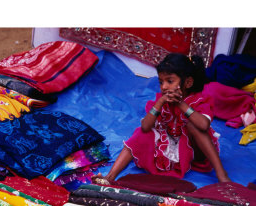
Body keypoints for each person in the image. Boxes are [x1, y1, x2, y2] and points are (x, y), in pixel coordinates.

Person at [93, 53, 231, 184]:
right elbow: (145, 127)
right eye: (161, 82)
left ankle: (222, 174)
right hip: (170, 150)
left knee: (193, 125)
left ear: (188, 83)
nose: (164, 87)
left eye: (170, 81)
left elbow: (204, 125)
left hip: (196, 151)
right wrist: (159, 103)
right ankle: (110, 177)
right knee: (140, 133)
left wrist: (181, 104)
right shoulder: (161, 100)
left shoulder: (198, 100)